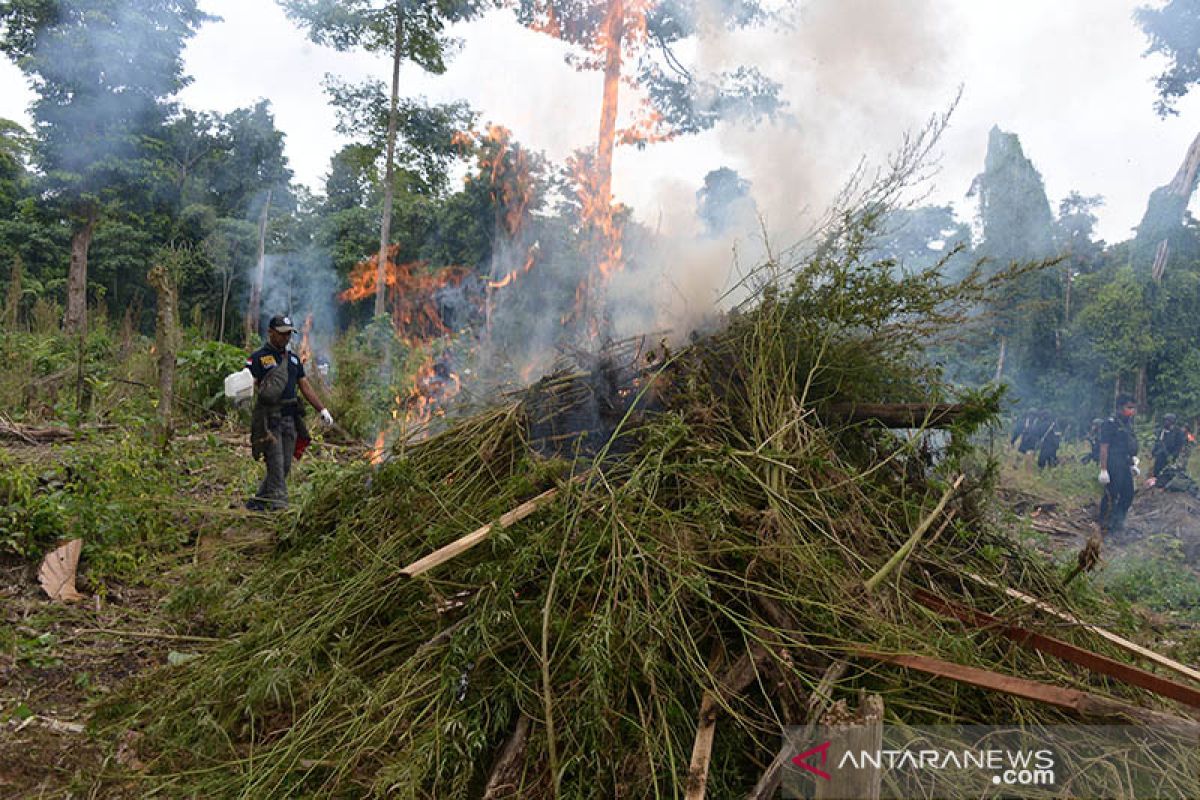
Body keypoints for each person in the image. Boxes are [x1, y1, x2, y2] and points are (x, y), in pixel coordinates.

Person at [245, 314, 334, 510]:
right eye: (282, 334)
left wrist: (322, 409)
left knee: (284, 466)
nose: (286, 338)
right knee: (275, 465)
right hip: (270, 422)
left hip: (290, 421)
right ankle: (280, 510)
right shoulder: (259, 358)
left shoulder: (293, 359)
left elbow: (305, 386)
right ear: (270, 333)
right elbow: (247, 381)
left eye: (289, 334)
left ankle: (257, 503)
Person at [1098, 395, 1139, 536]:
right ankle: (1104, 524)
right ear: (1120, 407)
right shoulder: (1110, 423)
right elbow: (1104, 447)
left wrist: (1133, 461)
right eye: (1129, 407)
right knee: (1111, 495)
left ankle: (1118, 522)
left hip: (1125, 463)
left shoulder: (1128, 423)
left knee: (1128, 494)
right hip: (1113, 463)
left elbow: (1128, 444)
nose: (1131, 411)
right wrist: (1103, 469)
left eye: (1133, 408)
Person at [1150, 413, 1187, 479]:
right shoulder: (1161, 431)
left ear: (1172, 422)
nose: (1165, 422)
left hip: (1172, 456)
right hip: (1160, 456)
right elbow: (1157, 443)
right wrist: (1153, 452)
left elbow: (1179, 446)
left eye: (1168, 420)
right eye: (1165, 420)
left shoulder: (1178, 432)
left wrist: (1173, 456)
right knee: (1157, 473)